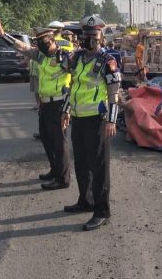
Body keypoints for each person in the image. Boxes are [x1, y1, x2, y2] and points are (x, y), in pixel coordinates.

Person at [61, 15, 121, 231]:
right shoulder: (77, 58)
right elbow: (72, 86)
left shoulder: (107, 61)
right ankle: (85, 200)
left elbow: (114, 93)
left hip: (98, 120)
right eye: (85, 35)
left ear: (101, 36)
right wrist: (66, 110)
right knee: (82, 164)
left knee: (99, 167)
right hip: (77, 118)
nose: (89, 39)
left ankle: (102, 210)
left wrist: (111, 120)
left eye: (93, 35)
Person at [0, 20, 72, 190]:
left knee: (59, 143)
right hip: (45, 105)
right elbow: (23, 48)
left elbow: (76, 80)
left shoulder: (64, 57)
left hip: (59, 104)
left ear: (52, 40)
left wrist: (68, 107)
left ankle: (63, 178)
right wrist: (4, 36)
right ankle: (54, 169)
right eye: (39, 43)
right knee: (46, 139)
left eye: (44, 42)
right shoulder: (41, 56)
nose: (41, 46)